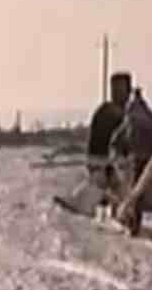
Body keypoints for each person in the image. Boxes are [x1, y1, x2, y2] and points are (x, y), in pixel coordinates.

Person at [53, 72, 132, 217]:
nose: (118, 94)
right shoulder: (111, 111)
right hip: (103, 159)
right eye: (116, 90)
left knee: (114, 181)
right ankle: (87, 203)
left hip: (109, 160)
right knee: (107, 178)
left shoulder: (118, 111)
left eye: (121, 90)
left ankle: (115, 206)